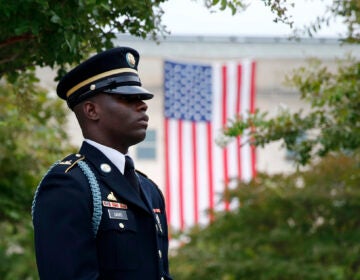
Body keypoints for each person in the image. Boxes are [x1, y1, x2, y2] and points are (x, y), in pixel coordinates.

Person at [32, 47, 172, 280]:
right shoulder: (69, 185)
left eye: (141, 98)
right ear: (91, 110)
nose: (143, 105)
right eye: (128, 98)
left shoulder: (149, 190)